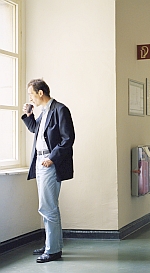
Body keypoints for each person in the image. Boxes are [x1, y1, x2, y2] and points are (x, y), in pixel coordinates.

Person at [21, 79, 75, 263]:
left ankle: (52, 250)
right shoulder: (44, 112)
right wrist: (28, 115)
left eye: (31, 94)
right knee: (49, 207)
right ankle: (53, 244)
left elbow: (68, 139)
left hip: (50, 162)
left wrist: (52, 158)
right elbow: (37, 130)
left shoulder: (60, 109)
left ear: (40, 93)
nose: (30, 98)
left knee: (47, 207)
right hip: (41, 160)